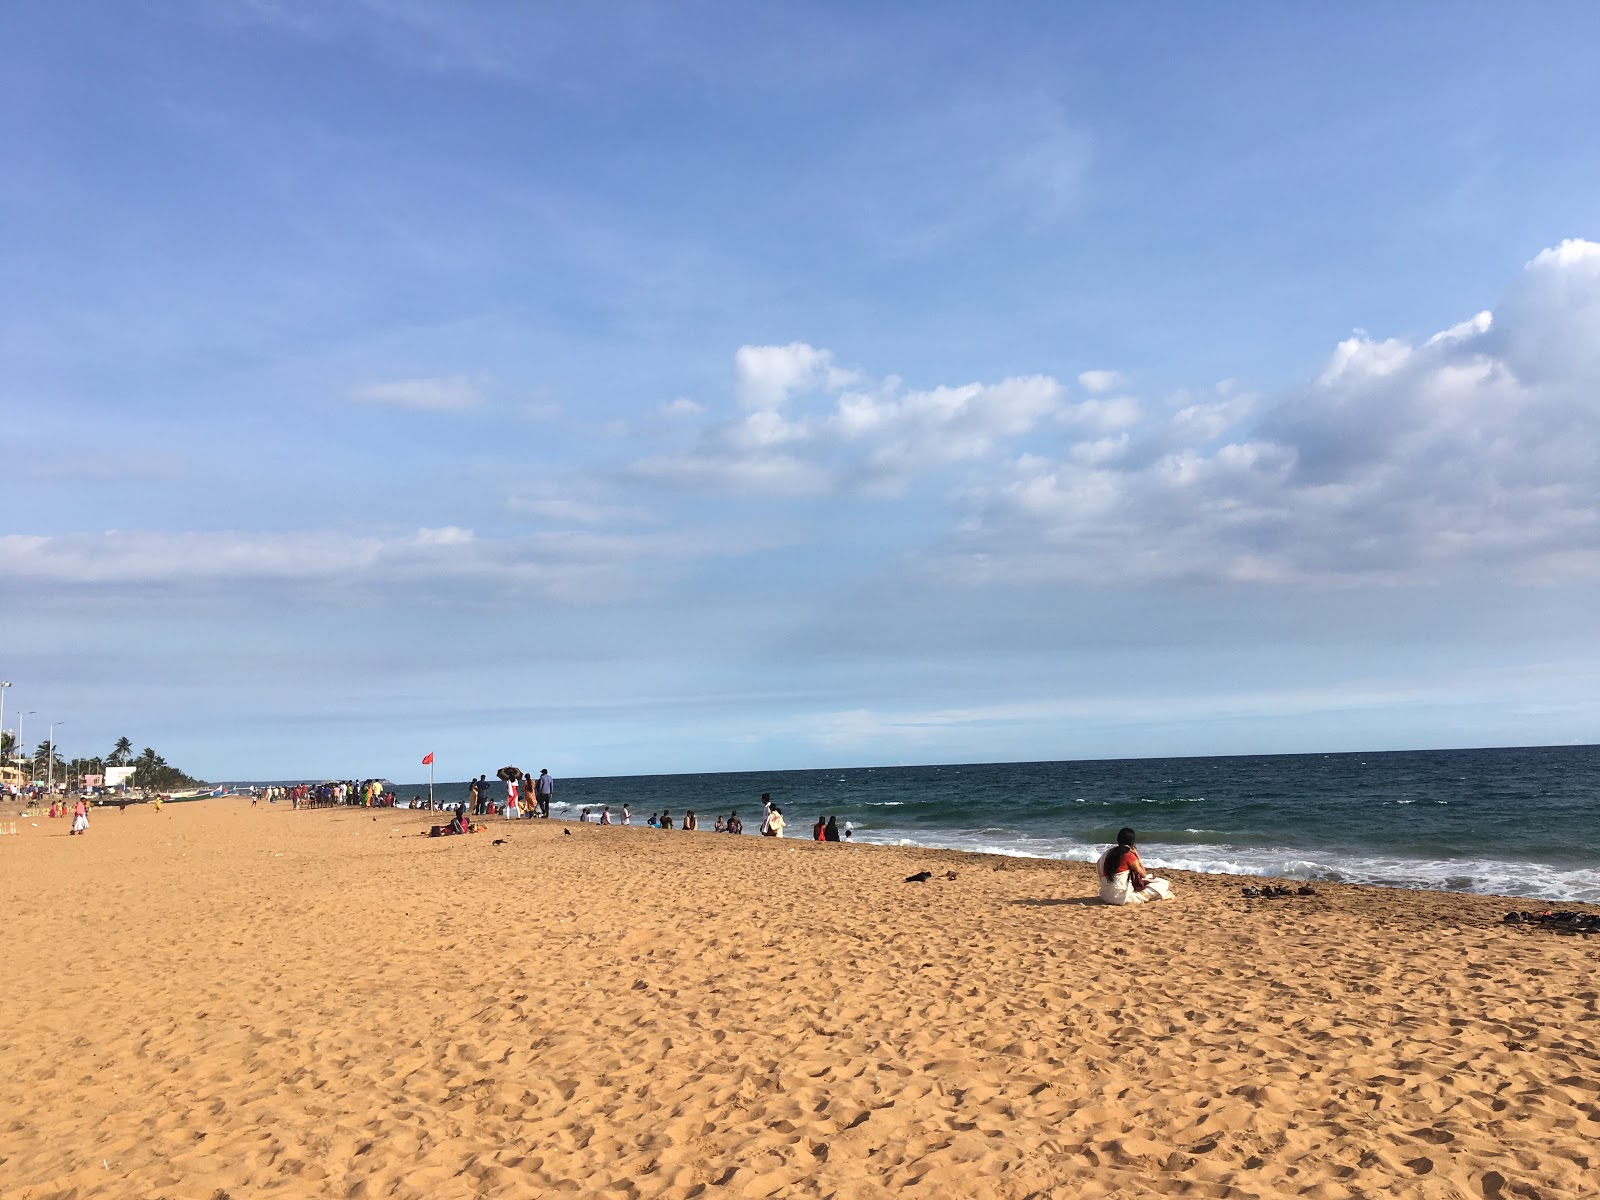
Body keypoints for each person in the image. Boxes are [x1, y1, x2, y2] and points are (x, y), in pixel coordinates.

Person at [1097, 827, 1172, 905]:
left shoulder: (1108, 852)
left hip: (1106, 896)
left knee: (1150, 880)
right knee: (1162, 884)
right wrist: (1137, 855)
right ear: (1132, 842)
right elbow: (1143, 874)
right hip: (1121, 897)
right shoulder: (1128, 855)